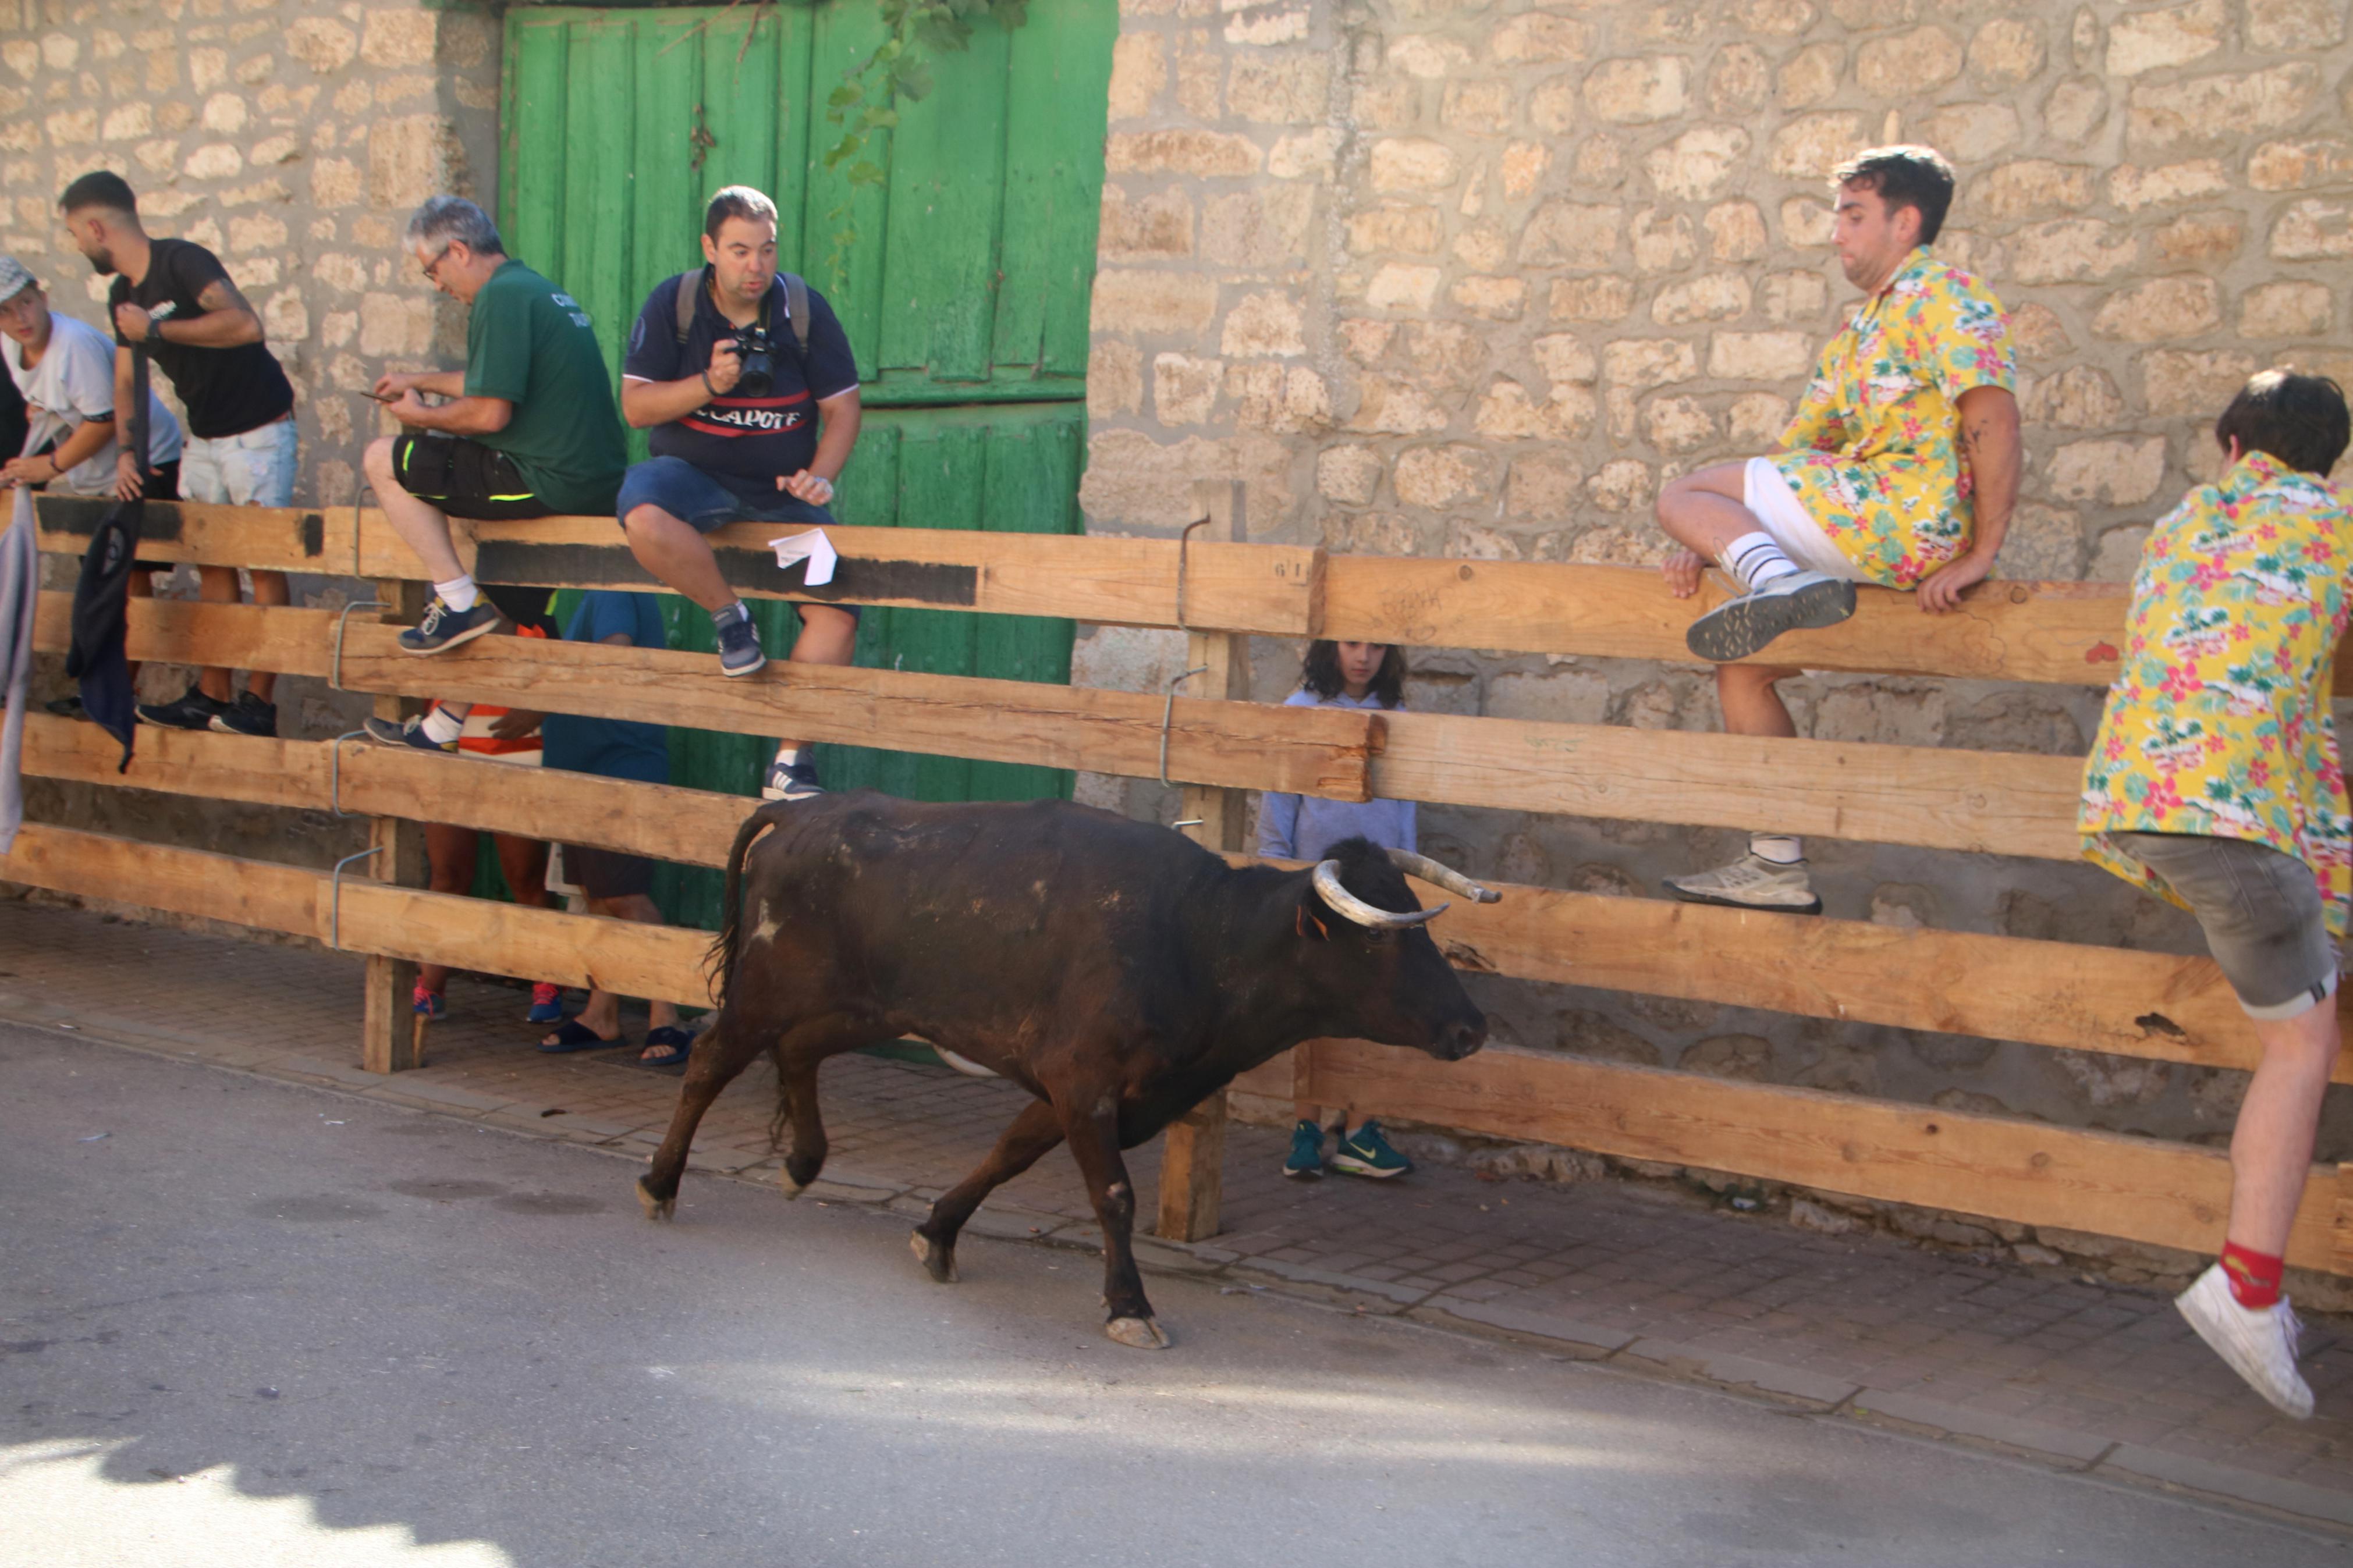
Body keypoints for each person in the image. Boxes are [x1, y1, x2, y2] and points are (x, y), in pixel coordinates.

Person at [2079, 371, 2353, 1420]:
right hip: (2232, 825)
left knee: (2291, 1020)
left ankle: (2248, 1289)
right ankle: (2244, 1290)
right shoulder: (2328, 526)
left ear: (2230, 445)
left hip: (2141, 802)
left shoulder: (2186, 518)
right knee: (2298, 1046)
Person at [1652, 145, 2021, 915]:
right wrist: (1709, 533)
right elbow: (1794, 456)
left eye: (1853, 215)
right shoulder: (1861, 328)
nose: (1835, 234)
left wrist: (1985, 548)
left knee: (1680, 486)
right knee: (1743, 668)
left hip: (1900, 516)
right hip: (1853, 520)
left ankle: (1777, 580)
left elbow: (1990, 413)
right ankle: (1774, 864)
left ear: (1905, 220)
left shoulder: (1945, 294)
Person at [616, 184, 863, 802]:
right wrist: (708, 382)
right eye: (739, 251)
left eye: (766, 251)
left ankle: (790, 763)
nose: (755, 267)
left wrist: (820, 475)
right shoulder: (675, 304)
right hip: (691, 481)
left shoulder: (802, 307)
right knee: (642, 516)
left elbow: (843, 408)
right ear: (710, 249)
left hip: (780, 498)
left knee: (837, 609)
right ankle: (731, 619)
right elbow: (637, 407)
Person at [358, 195, 626, 750]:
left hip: (544, 478)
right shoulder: (532, 288)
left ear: (457, 250)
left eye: (432, 270)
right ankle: (441, 725)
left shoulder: (499, 299)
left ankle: (452, 596)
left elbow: (488, 413)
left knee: (382, 459)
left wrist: (419, 417)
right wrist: (422, 379)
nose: (436, 285)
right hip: (591, 484)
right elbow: (492, 381)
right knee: (496, 607)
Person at [59, 170, 299, 738]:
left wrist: (159, 331)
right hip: (206, 437)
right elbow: (125, 384)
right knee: (211, 563)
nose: (76, 246)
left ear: (97, 227)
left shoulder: (183, 261)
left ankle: (258, 704)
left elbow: (245, 324)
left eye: (74, 234)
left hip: (259, 430)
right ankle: (212, 694)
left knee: (262, 564)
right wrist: (125, 453)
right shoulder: (122, 294)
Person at [1258, 639, 1418, 1181]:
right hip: (1315, 883)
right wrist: (1277, 872)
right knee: (1311, 1007)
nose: (1363, 657)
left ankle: (1359, 1132)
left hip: (1379, 883)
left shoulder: (1396, 716)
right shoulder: (1300, 711)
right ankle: (1305, 1127)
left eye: (1376, 646)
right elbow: (1279, 796)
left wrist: (1405, 876)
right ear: (1330, 647)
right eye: (1352, 643)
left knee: (1376, 1003)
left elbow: (1405, 804)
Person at [534, 589, 691, 1065]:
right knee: (597, 895)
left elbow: (613, 655)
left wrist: (540, 701)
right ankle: (601, 1014)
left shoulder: (615, 585)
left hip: (615, 769)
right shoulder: (588, 594)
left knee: (626, 897)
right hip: (585, 768)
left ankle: (668, 1016)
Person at [409, 599, 567, 1027]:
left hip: (515, 763)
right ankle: (430, 986)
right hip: (450, 761)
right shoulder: (445, 615)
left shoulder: (537, 625)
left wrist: (537, 709)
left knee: (526, 880)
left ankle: (546, 981)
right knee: (447, 876)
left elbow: (559, 683)